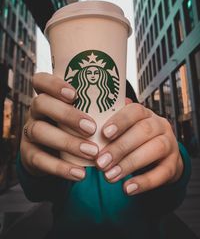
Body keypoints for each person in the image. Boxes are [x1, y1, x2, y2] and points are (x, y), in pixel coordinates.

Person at [16, 73, 191, 239]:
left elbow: (166, 197)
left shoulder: (141, 153)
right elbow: (39, 189)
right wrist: (35, 155)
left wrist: (174, 162)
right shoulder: (69, 154)